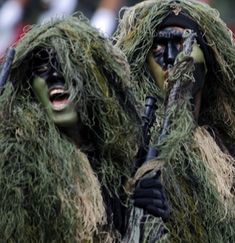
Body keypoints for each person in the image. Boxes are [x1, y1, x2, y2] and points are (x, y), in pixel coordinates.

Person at [114, 0, 235, 241]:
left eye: (182, 44)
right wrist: (125, 206)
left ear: (210, 61)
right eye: (158, 47)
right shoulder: (124, 147)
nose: (170, 58)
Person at [0, 16, 141, 241]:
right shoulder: (17, 163)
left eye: (68, 64)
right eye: (43, 67)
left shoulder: (119, 165)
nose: (55, 76)